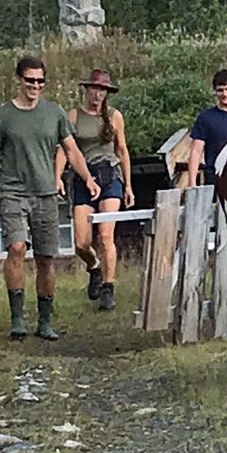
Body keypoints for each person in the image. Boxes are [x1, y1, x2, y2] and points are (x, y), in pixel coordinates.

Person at [0, 56, 99, 340]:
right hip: (13, 190)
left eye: (40, 81)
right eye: (30, 80)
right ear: (19, 80)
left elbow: (71, 149)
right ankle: (16, 318)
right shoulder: (1, 116)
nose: (35, 85)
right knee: (16, 247)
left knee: (46, 258)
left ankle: (45, 321)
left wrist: (87, 178)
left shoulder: (55, 113)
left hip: (46, 192)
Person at [62, 69, 134, 312]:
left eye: (102, 90)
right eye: (94, 88)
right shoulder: (73, 115)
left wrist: (128, 185)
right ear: (87, 90)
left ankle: (108, 286)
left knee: (105, 235)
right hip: (84, 176)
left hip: (109, 174)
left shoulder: (114, 116)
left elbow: (122, 150)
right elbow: (65, 148)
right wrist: (57, 177)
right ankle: (93, 267)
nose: (98, 94)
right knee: (81, 242)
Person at [179, 68, 227, 189]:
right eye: (220, 90)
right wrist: (192, 183)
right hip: (214, 179)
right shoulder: (205, 118)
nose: (225, 94)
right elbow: (196, 151)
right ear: (214, 91)